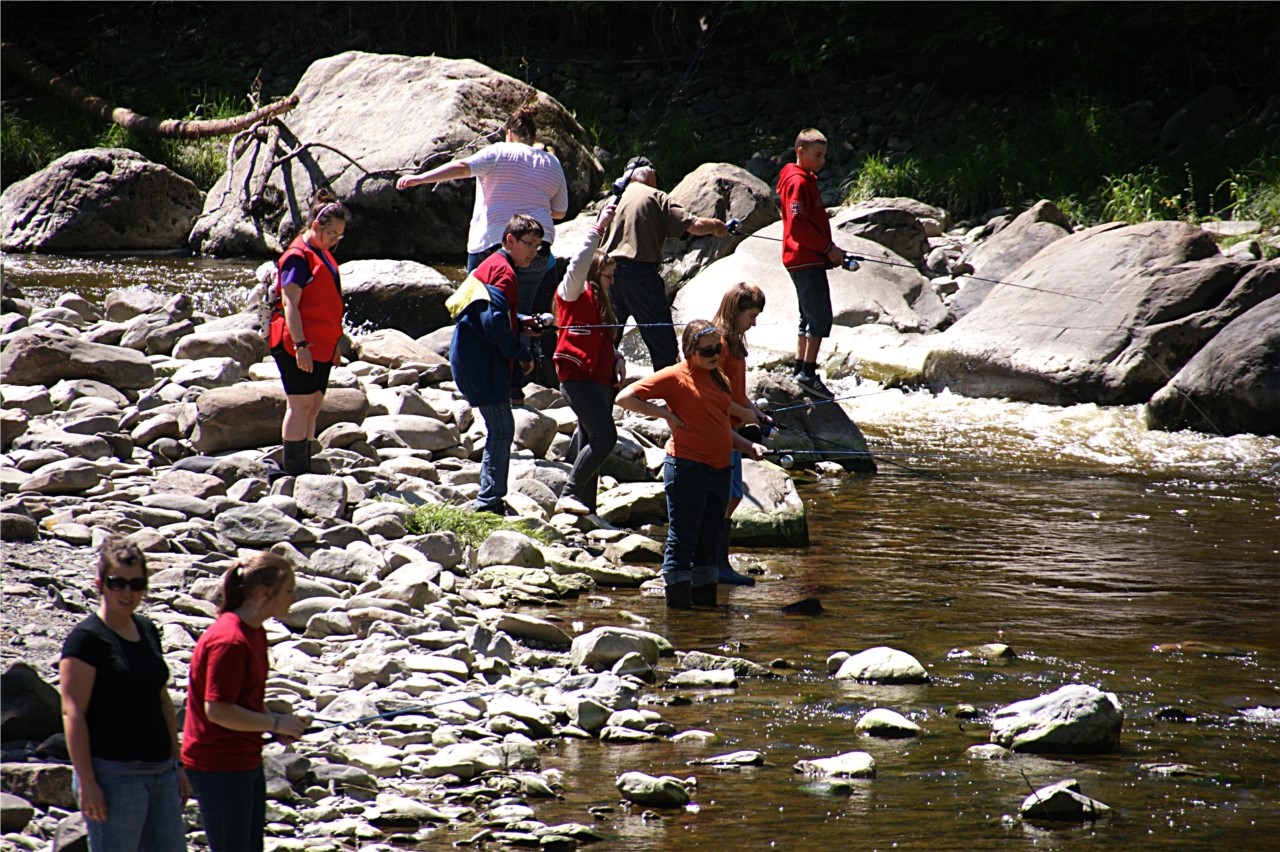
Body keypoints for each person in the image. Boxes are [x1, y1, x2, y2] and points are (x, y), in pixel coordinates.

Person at [397, 104, 569, 400]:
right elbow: (560, 211)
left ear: (508, 132)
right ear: (532, 135)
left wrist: (419, 178)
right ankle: (525, 385)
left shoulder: (499, 151)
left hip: (495, 245)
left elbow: (462, 168)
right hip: (540, 249)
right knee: (524, 318)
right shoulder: (550, 162)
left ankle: (485, 382)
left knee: (482, 313)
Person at [616, 319, 767, 610]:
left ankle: (705, 613)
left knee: (709, 542)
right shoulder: (675, 376)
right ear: (690, 350)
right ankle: (681, 617)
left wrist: (749, 446)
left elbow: (722, 426)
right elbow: (625, 397)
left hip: (720, 469)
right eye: (707, 350)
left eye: (717, 349)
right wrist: (666, 416)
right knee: (683, 540)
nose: (714, 355)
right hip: (687, 468)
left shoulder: (719, 377)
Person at [59, 536, 189, 852]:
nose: (128, 593)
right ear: (100, 583)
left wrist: (178, 763)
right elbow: (72, 713)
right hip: (114, 776)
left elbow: (161, 699)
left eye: (136, 583)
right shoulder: (86, 640)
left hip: (160, 772)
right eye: (117, 583)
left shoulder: (146, 629)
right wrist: (87, 782)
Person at [182, 553, 307, 852]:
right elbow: (218, 709)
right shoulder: (230, 640)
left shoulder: (254, 632)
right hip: (219, 765)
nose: (294, 597)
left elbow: (245, 700)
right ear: (264, 594)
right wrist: (276, 721)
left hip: (244, 760)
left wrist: (275, 727)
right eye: (289, 590)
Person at [446, 213, 543, 515]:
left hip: (471, 358)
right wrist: (522, 354)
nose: (533, 252)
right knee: (502, 428)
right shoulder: (504, 273)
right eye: (529, 244)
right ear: (510, 240)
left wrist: (523, 323)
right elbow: (494, 324)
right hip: (481, 364)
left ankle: (490, 496)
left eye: (538, 246)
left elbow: (489, 316)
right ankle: (488, 501)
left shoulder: (490, 265)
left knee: (499, 427)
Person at [603, 158, 730, 371]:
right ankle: (671, 398)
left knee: (606, 340)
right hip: (641, 275)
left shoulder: (612, 201)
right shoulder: (655, 196)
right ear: (650, 174)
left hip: (606, 275)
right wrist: (718, 226)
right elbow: (696, 226)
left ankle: (602, 393)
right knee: (663, 346)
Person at [267, 188, 348, 476]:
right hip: (296, 341)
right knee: (300, 404)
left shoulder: (323, 254)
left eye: (340, 235)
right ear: (316, 226)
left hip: (323, 343)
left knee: (314, 403)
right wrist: (301, 345)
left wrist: (337, 341)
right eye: (332, 234)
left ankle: (306, 464)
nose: (336, 241)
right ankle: (294, 471)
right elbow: (290, 303)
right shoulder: (297, 257)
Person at [552, 202, 624, 516]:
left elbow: (604, 342)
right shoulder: (573, 293)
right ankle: (568, 494)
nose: (612, 280)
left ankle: (586, 507)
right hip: (578, 378)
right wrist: (599, 228)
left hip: (600, 381)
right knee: (605, 437)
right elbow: (578, 263)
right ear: (595, 274)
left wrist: (618, 356)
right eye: (608, 275)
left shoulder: (602, 304)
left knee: (588, 439)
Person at [777, 128, 849, 400]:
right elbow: (798, 226)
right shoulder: (798, 182)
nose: (822, 160)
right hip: (804, 259)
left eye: (823, 155)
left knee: (808, 315)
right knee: (819, 316)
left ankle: (800, 367)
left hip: (803, 258)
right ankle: (807, 374)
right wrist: (828, 249)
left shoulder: (800, 177)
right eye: (817, 155)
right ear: (800, 152)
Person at [714, 283, 772, 587]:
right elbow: (715, 395)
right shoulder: (719, 344)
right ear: (735, 311)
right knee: (729, 495)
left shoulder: (736, 342)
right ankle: (716, 563)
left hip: (733, 426)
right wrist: (744, 413)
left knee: (732, 495)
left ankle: (717, 561)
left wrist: (755, 412)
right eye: (751, 314)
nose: (754, 321)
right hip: (720, 428)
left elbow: (736, 393)